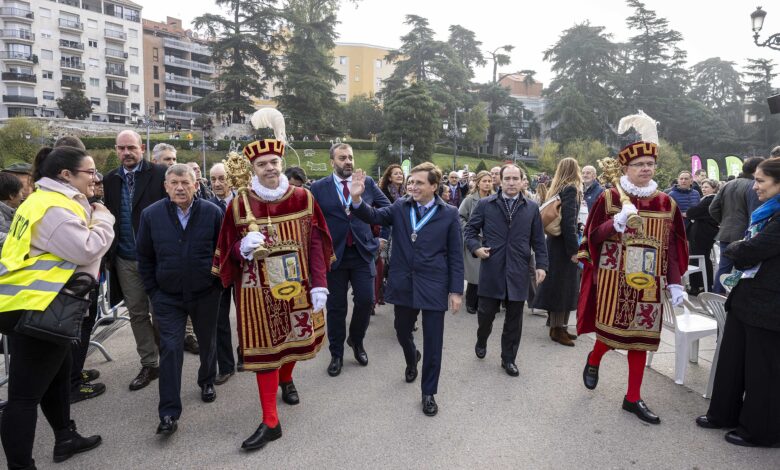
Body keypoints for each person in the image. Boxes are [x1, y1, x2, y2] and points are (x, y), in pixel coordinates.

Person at [212, 138, 334, 451]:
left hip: (299, 285)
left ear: (281, 164)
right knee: (265, 352)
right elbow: (227, 249)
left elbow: (317, 242)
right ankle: (270, 421)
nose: (270, 168)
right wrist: (242, 248)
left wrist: (320, 282)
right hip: (256, 292)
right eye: (262, 164)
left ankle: (286, 378)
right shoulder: (239, 203)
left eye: (273, 163)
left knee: (296, 341)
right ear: (253, 169)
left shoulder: (304, 198)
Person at [0, 146, 114, 468]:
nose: (95, 178)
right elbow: (87, 247)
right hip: (38, 306)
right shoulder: (53, 206)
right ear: (66, 175)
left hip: (35, 302)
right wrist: (104, 217)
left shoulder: (43, 200)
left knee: (58, 375)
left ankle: (65, 437)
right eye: (90, 172)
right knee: (23, 397)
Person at [577, 113, 688, 425]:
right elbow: (591, 238)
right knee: (611, 336)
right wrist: (616, 222)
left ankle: (632, 398)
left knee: (640, 339)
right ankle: (594, 358)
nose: (646, 169)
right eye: (639, 165)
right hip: (614, 280)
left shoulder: (667, 203)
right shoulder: (610, 197)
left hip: (649, 282)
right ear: (625, 168)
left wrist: (676, 282)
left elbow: (676, 245)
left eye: (650, 164)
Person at [350, 163, 463, 417]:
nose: (412, 186)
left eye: (419, 183)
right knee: (402, 331)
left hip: (434, 284)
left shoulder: (449, 213)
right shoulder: (401, 206)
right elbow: (374, 216)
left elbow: (456, 255)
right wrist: (356, 198)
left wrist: (456, 290)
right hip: (404, 283)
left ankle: (429, 392)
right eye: (411, 182)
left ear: (434, 186)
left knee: (434, 341)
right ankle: (412, 357)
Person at [697, 157, 780, 448]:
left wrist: (736, 248)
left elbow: (753, 249)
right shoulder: (767, 212)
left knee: (762, 371)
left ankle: (759, 430)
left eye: (760, 181)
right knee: (733, 361)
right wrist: (740, 249)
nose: (754, 186)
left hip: (769, 305)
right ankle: (723, 413)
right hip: (747, 297)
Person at [136, 164, 223, 436]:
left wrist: (217, 284)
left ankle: (207, 379)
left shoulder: (212, 212)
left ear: (196, 185)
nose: (180, 188)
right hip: (167, 297)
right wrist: (154, 291)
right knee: (171, 349)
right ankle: (169, 413)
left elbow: (221, 251)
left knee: (207, 340)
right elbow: (145, 257)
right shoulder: (151, 215)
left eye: (185, 182)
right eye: (174, 182)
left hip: (205, 293)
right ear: (166, 186)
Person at [310, 143, 390, 376]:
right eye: (342, 158)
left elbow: (388, 212)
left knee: (366, 301)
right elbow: (311, 221)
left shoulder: (368, 183)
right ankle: (336, 354)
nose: (348, 161)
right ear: (332, 162)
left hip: (363, 252)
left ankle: (356, 341)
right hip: (334, 255)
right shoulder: (318, 187)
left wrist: (379, 240)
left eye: (351, 157)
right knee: (336, 308)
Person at [464, 164, 548, 376]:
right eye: (507, 178)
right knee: (485, 315)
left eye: (515, 178)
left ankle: (508, 358)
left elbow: (538, 240)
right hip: (492, 267)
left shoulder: (531, 208)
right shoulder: (485, 204)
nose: (511, 182)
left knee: (514, 319)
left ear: (522, 181)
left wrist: (542, 266)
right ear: (499, 181)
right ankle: (482, 338)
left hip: (519, 269)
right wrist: (476, 248)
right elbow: (470, 231)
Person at [104, 130, 168, 391]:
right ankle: (149, 363)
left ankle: (169, 356)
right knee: (137, 313)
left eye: (131, 147)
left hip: (155, 257)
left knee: (161, 312)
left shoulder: (160, 174)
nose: (126, 152)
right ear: (116, 150)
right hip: (125, 258)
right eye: (121, 148)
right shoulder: (110, 180)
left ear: (142, 148)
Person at [533, 158, 582, 346]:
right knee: (563, 288)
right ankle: (557, 329)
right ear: (575, 170)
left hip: (554, 243)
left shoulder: (557, 189)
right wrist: (573, 250)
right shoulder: (571, 189)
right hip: (563, 246)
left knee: (559, 287)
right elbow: (567, 223)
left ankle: (559, 327)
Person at [709, 157, 764, 293]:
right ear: (756, 170)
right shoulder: (753, 186)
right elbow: (755, 214)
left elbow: (713, 208)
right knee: (743, 269)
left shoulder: (728, 184)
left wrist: (723, 221)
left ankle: (717, 299)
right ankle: (738, 298)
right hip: (744, 235)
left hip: (726, 232)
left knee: (723, 267)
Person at [208, 163, 239, 383]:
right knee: (219, 319)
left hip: (243, 269)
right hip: (218, 270)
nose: (217, 184)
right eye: (213, 180)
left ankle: (248, 355)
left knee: (246, 315)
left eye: (222, 178)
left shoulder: (245, 202)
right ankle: (226, 366)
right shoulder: (205, 206)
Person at [458, 170, 494, 314]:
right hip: (474, 240)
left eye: (489, 181)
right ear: (478, 183)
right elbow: (460, 217)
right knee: (475, 273)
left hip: (490, 239)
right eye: (484, 181)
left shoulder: (495, 198)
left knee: (486, 273)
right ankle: (471, 302)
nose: (487, 184)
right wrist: (470, 230)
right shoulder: (470, 199)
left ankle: (483, 303)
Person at [686, 179, 719, 293]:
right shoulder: (709, 199)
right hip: (704, 232)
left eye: (707, 187)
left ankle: (697, 286)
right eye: (703, 187)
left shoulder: (710, 199)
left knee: (698, 259)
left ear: (714, 188)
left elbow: (692, 212)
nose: (704, 189)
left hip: (702, 233)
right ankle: (704, 285)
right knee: (703, 258)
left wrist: (691, 213)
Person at [0, 172, 23, 251]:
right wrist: (22, 240)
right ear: (12, 195)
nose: (22, 195)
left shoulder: (14, 211)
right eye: (21, 192)